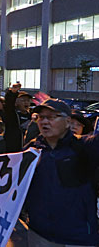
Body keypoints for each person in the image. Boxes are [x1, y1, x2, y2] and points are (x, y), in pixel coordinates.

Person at [24, 99, 99, 246]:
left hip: (78, 237)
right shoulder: (31, 150)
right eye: (41, 117)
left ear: (67, 121)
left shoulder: (84, 146)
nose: (44, 122)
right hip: (39, 234)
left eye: (52, 117)